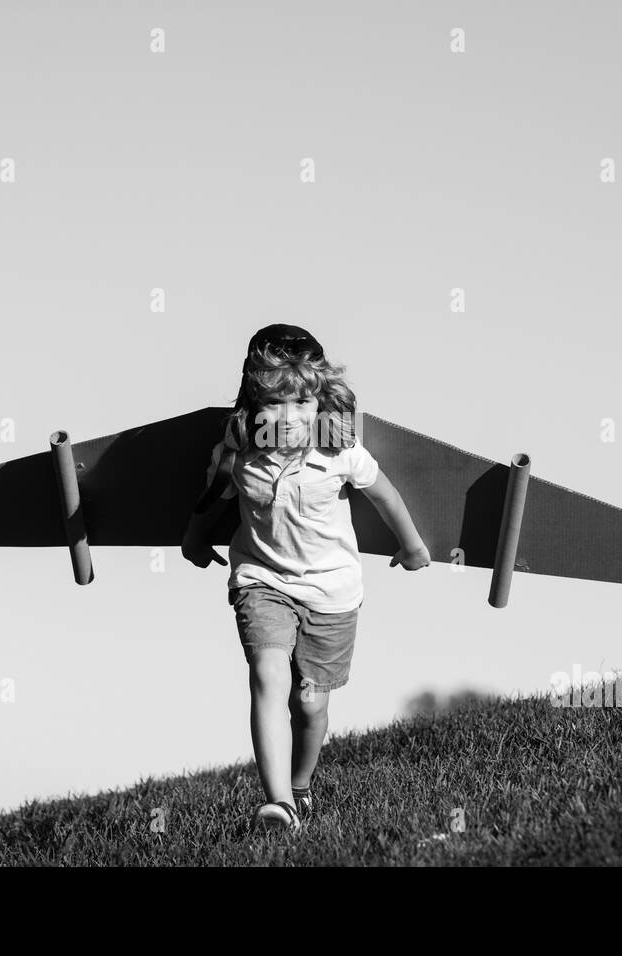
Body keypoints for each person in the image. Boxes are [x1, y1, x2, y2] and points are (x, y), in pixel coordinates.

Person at [181, 325, 430, 834]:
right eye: (274, 402)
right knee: (267, 675)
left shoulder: (337, 450)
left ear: (319, 400)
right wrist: (193, 539)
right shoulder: (238, 452)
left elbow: (384, 494)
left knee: (310, 704)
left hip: (333, 592)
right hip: (262, 579)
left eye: (300, 401)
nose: (289, 417)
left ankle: (300, 787)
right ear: (253, 402)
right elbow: (213, 500)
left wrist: (412, 546)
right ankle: (278, 806)